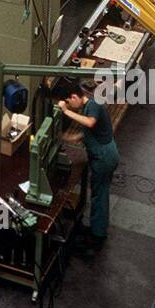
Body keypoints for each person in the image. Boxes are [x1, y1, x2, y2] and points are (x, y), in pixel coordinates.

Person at [58, 83, 120, 253]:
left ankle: (97, 236)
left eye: (70, 103)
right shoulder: (87, 106)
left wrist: (66, 111)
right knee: (98, 193)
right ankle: (95, 228)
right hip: (103, 155)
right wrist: (67, 138)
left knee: (100, 196)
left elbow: (91, 123)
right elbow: (87, 131)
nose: (72, 107)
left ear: (74, 97)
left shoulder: (93, 104)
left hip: (104, 156)